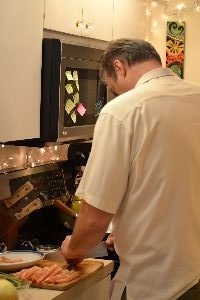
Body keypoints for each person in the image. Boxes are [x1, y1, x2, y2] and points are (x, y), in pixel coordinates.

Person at [60, 39, 200, 300]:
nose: (116, 95)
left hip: (158, 285)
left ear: (119, 66)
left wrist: (73, 249)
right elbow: (172, 185)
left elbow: (94, 219)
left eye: (114, 89)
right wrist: (128, 230)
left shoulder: (121, 111)